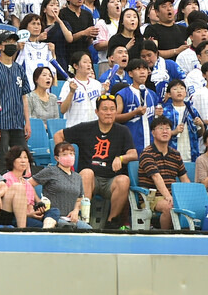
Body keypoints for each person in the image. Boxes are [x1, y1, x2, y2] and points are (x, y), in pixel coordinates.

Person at [54, 94, 137, 229]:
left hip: (111, 180)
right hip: (89, 180)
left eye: (112, 109)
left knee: (124, 180)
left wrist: (121, 158)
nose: (109, 113)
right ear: (97, 112)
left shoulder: (123, 131)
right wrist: (61, 160)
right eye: (105, 109)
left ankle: (112, 222)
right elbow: (59, 135)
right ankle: (83, 219)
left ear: (116, 111)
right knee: (87, 173)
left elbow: (133, 154)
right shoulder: (85, 128)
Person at [0, 30, 31, 163]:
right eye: (8, 42)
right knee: (2, 160)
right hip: (0, 122)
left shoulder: (19, 68)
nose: (12, 44)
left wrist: (27, 121)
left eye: (13, 42)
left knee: (23, 158)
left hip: (17, 122)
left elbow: (24, 97)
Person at [138, 116, 190, 230]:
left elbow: (184, 179)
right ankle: (165, 235)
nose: (165, 131)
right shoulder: (147, 153)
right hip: (151, 198)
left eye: (168, 128)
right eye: (160, 128)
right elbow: (156, 177)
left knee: (191, 203)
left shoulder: (176, 154)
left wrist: (189, 196)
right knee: (169, 206)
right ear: (153, 133)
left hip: (172, 195)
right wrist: (168, 196)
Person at [30, 142, 92, 230]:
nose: (69, 156)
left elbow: (79, 199)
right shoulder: (51, 171)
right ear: (57, 158)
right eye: (64, 154)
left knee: (89, 230)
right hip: (53, 217)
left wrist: (75, 211)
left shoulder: (77, 177)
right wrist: (39, 201)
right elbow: (29, 184)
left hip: (71, 219)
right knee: (66, 228)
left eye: (71, 154)